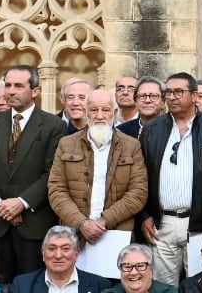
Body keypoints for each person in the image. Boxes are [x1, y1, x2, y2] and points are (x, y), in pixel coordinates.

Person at [0, 64, 69, 279]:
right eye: (8, 85)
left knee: (31, 290)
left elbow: (52, 173)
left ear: (35, 91)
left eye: (19, 86)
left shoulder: (54, 126)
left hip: (33, 225)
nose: (10, 91)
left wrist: (21, 203)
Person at [138, 71, 202, 287]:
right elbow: (140, 178)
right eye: (168, 92)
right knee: (163, 291)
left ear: (195, 95)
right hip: (162, 225)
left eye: (178, 92)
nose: (172, 97)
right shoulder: (152, 130)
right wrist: (144, 216)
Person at [47, 87, 149, 248]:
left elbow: (138, 193)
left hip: (117, 233)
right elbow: (56, 190)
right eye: (94, 110)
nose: (100, 116)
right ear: (86, 112)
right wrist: (82, 223)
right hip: (74, 234)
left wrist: (104, 221)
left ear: (114, 113)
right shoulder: (66, 144)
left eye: (105, 110)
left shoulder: (132, 146)